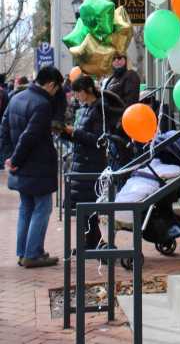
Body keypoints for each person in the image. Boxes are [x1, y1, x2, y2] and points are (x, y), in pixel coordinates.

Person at [0, 65, 64, 267]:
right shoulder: (42, 104)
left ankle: (24, 252)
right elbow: (30, 136)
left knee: (26, 207)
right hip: (37, 164)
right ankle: (33, 253)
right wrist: (15, 159)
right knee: (42, 207)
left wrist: (10, 157)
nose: (56, 93)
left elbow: (4, 127)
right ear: (51, 84)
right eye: (56, 89)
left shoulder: (17, 97)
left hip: (22, 164)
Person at [61, 74, 124, 249]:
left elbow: (98, 140)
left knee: (90, 206)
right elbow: (81, 136)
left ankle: (94, 243)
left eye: (78, 92)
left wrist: (75, 132)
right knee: (84, 207)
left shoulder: (99, 109)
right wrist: (67, 133)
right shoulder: (84, 109)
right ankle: (88, 243)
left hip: (92, 163)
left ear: (87, 91)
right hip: (80, 161)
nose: (76, 96)